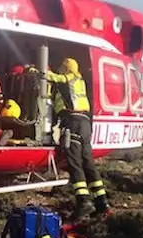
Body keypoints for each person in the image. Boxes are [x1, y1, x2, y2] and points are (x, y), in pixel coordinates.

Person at [46, 57, 110, 220]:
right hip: (85, 124)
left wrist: (37, 71)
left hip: (72, 122)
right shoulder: (79, 80)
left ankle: (83, 201)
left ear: (66, 68)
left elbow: (53, 77)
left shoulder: (69, 78)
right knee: (88, 162)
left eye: (61, 67)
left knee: (74, 163)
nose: (59, 70)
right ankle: (102, 202)